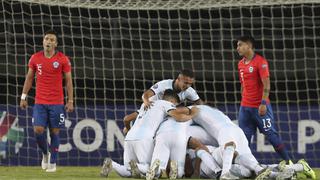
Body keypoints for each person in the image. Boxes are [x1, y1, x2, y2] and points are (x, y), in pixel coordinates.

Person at [100, 89, 199, 178]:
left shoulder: (146, 105)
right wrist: (193, 114)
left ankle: (112, 164)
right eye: (175, 104)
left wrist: (128, 129)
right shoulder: (166, 104)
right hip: (145, 138)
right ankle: (142, 166)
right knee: (149, 169)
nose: (175, 107)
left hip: (129, 138)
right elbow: (179, 118)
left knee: (128, 171)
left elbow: (126, 119)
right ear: (172, 101)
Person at [20, 29, 74, 172]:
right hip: (40, 102)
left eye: (51, 40)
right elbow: (29, 78)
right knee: (38, 131)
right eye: (46, 39)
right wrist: (23, 96)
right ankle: (45, 154)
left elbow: (68, 81)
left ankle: (53, 163)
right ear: (43, 41)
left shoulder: (63, 59)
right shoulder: (35, 58)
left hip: (57, 103)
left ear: (55, 44)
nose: (48, 41)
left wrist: (70, 101)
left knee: (55, 132)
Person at [236, 35, 291, 162]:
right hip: (245, 108)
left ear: (248, 46)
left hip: (260, 107)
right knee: (244, 139)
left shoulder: (261, 62)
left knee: (271, 135)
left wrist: (263, 103)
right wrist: (243, 100)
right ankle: (248, 166)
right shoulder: (240, 64)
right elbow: (243, 84)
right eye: (237, 45)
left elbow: (267, 84)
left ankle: (289, 162)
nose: (237, 48)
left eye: (240, 45)